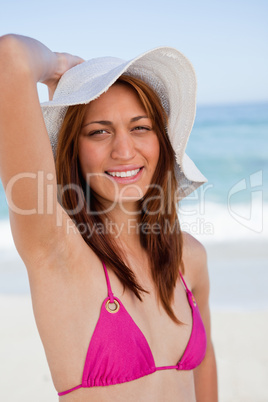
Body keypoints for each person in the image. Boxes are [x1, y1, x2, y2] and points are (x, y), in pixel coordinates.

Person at [0, 34, 218, 401]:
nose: (123, 149)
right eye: (99, 131)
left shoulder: (188, 257)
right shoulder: (58, 252)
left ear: (160, 144)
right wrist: (59, 66)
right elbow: (10, 56)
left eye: (140, 127)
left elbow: (204, 365)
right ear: (74, 150)